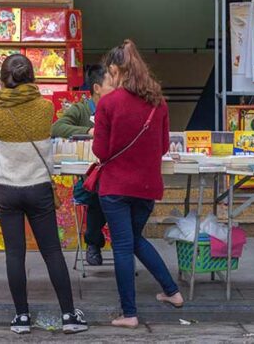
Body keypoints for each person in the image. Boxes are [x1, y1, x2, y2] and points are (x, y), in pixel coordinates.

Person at [0, 54, 88, 335]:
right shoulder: (44, 108)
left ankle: (21, 317)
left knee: (14, 254)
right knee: (52, 252)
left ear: (2, 79)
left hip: (6, 189)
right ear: (32, 76)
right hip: (38, 187)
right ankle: (69, 315)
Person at [93, 40, 182, 329]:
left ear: (117, 70)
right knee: (135, 240)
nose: (110, 77)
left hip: (116, 187)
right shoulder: (159, 103)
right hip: (147, 186)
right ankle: (173, 292)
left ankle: (129, 313)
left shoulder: (108, 103)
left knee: (122, 245)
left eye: (111, 72)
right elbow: (164, 145)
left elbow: (101, 152)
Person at [51, 64, 112, 266]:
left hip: (116, 174)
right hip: (89, 179)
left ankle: (115, 243)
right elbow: (57, 127)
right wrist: (89, 131)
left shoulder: (117, 109)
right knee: (99, 192)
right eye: (112, 84)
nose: (117, 89)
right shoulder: (82, 109)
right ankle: (94, 242)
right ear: (97, 88)